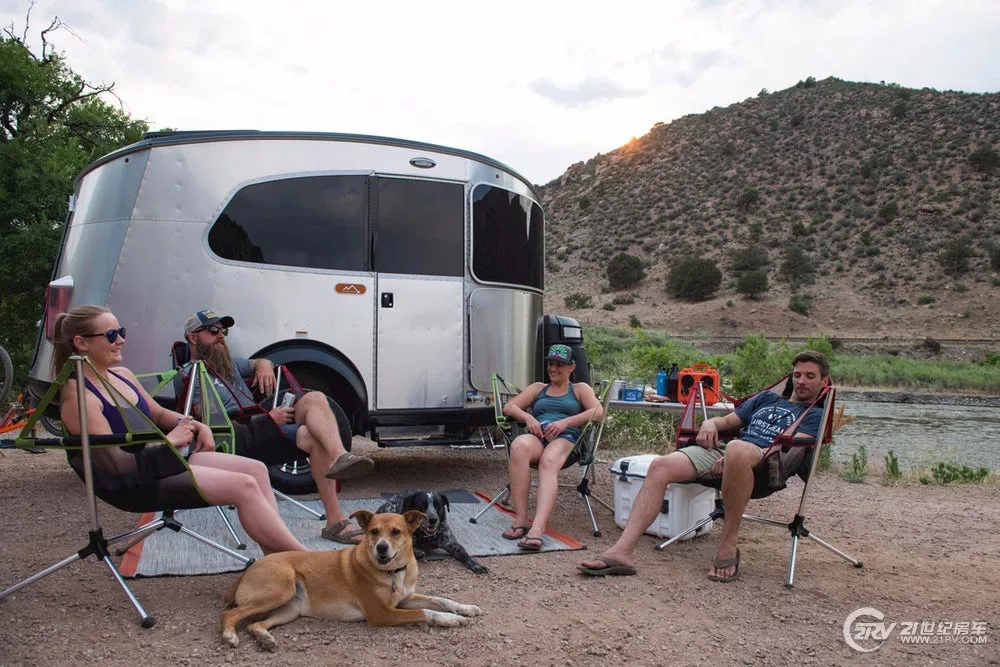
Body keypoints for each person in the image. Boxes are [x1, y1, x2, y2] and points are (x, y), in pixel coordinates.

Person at [54, 305, 307, 554]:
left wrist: (197, 426)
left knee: (256, 469)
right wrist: (170, 443)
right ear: (81, 343)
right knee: (244, 485)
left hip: (161, 461)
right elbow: (118, 467)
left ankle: (277, 560)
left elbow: (160, 414)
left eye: (121, 332)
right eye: (111, 335)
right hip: (135, 483)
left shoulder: (121, 375)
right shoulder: (80, 398)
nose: (120, 340)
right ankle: (303, 559)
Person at [579, 351, 829, 580]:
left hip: (766, 465)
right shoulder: (767, 399)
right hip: (728, 452)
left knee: (737, 449)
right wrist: (710, 425)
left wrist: (734, 457)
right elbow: (728, 421)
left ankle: (728, 545)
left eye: (810, 376)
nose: (801, 381)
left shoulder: (817, 415)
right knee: (660, 466)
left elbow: (791, 449)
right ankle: (622, 552)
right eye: (797, 375)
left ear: (823, 382)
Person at [182, 309, 374, 544]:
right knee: (313, 437)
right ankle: (335, 515)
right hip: (239, 440)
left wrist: (263, 366)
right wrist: (267, 420)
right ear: (193, 337)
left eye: (223, 330)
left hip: (265, 427)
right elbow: (209, 425)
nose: (221, 336)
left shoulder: (227, 364)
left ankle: (339, 457)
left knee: (315, 399)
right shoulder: (190, 377)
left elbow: (261, 361)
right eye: (213, 331)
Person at [500, 344, 604, 551]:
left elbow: (598, 412)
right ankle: (521, 520)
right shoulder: (539, 388)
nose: (553, 368)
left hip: (566, 439)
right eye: (551, 363)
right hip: (538, 436)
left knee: (549, 460)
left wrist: (565, 423)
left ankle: (538, 527)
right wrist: (529, 418)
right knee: (519, 445)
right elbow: (509, 407)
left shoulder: (579, 389)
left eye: (560, 364)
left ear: (571, 368)